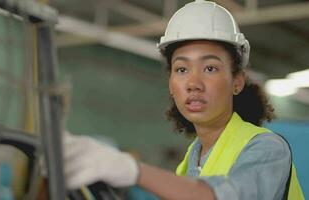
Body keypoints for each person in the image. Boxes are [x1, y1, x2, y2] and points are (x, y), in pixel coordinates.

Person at [62, 0, 304, 199]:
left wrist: (133, 170)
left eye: (210, 68)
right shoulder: (191, 160)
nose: (193, 83)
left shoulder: (267, 148)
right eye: (181, 69)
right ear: (170, 85)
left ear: (237, 82)